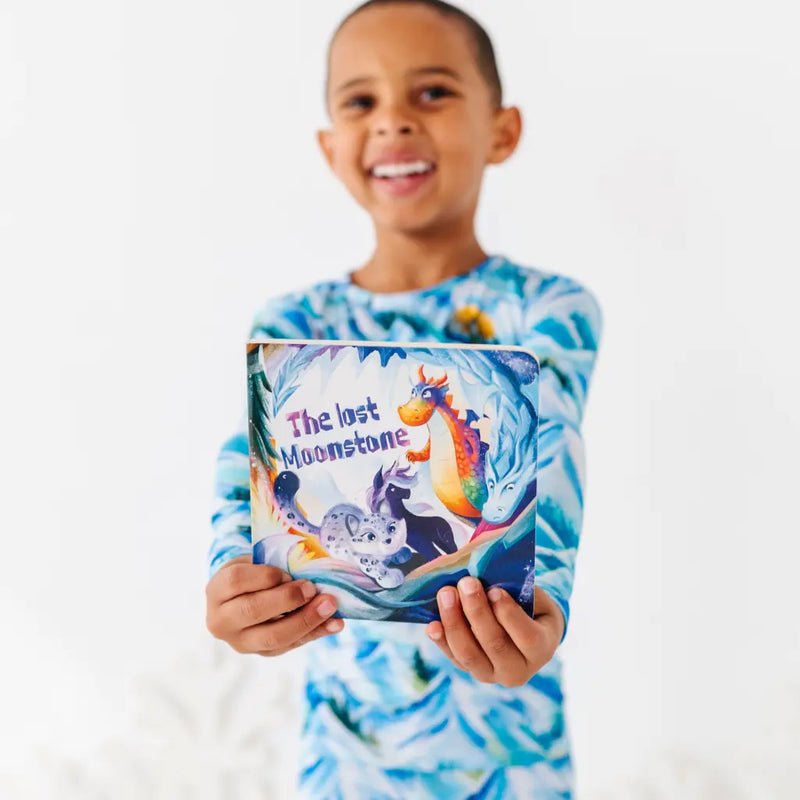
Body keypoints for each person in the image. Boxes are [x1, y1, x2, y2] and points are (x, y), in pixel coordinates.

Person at [205, 1, 603, 797]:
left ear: (502, 129)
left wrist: (548, 598)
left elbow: (553, 440)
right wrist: (229, 572)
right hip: (344, 754)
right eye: (361, 102)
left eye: (431, 93)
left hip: (511, 746)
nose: (392, 124)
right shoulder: (295, 326)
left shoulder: (548, 310)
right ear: (330, 148)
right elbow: (243, 463)